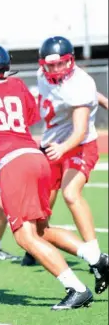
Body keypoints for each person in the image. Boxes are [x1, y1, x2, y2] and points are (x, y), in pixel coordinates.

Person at [0, 42, 95, 310]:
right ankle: (95, 256)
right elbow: (26, 117)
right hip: (35, 156)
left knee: (25, 236)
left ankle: (76, 287)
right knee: (41, 229)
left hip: (12, 164)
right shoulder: (17, 87)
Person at [20, 36, 109, 291]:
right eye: (51, 65)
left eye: (62, 64)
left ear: (72, 61)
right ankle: (38, 246)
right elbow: (95, 94)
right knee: (40, 213)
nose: (56, 70)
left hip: (78, 145)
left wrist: (62, 148)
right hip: (52, 145)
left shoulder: (80, 83)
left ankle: (96, 257)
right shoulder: (41, 74)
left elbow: (80, 130)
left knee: (71, 193)